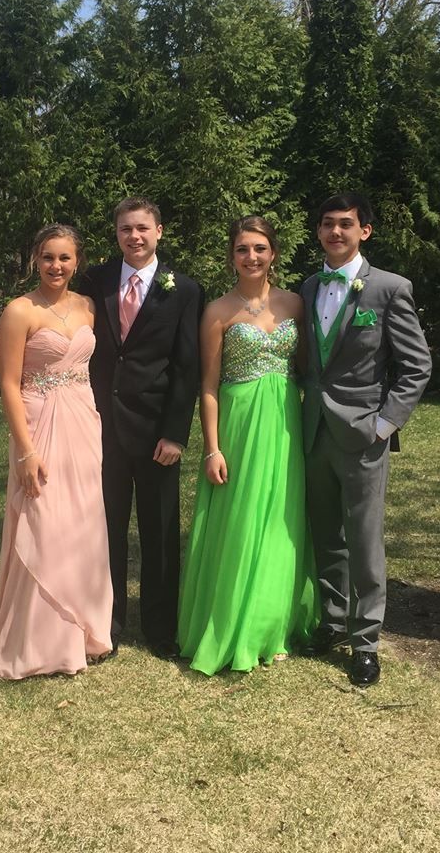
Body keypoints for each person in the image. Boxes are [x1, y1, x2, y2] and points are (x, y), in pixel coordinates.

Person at [0, 225, 113, 678]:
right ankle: (38, 638)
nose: (56, 266)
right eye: (48, 257)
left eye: (65, 258)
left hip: (83, 421)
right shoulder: (19, 311)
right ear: (36, 259)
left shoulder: (88, 307)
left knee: (81, 523)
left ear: (77, 261)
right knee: (42, 519)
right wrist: (25, 451)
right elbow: (8, 384)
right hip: (38, 422)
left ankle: (81, 630)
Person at [300, 192, 431, 686]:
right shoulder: (308, 286)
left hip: (363, 435)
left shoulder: (390, 289)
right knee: (325, 534)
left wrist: (385, 424)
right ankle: (333, 621)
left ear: (364, 231)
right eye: (327, 223)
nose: (335, 232)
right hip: (314, 431)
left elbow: (416, 365)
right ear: (318, 231)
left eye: (346, 224)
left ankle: (366, 642)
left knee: (364, 540)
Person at [177, 217, 318, 675]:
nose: (251, 257)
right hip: (238, 424)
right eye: (242, 249)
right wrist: (212, 448)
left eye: (259, 248)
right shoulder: (217, 311)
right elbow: (208, 385)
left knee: (281, 520)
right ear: (231, 256)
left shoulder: (295, 304)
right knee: (239, 521)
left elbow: (305, 368)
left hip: (285, 424)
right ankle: (232, 620)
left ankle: (272, 624)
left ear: (273, 253)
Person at [79, 197, 202, 659]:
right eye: (125, 229)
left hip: (156, 433)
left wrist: (175, 433)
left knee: (160, 532)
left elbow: (186, 366)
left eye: (142, 228)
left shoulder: (184, 290)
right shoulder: (95, 281)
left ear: (159, 231)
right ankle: (107, 623)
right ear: (117, 234)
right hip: (101, 427)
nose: (134, 236)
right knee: (105, 529)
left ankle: (160, 627)